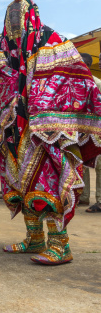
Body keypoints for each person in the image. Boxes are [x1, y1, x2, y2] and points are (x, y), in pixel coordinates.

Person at [0, 0, 101, 264]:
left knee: (49, 186)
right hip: (12, 129)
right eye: (10, 14)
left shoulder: (52, 40)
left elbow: (78, 77)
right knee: (20, 186)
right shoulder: (0, 45)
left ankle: (61, 246)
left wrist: (40, 104)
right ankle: (34, 239)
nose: (14, 19)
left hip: (45, 131)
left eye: (19, 13)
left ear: (30, 14)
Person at [79, 53, 101, 213]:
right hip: (82, 130)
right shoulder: (77, 82)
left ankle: (100, 201)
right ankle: (83, 196)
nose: (99, 63)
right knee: (82, 162)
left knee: (99, 165)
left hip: (96, 130)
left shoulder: (96, 82)